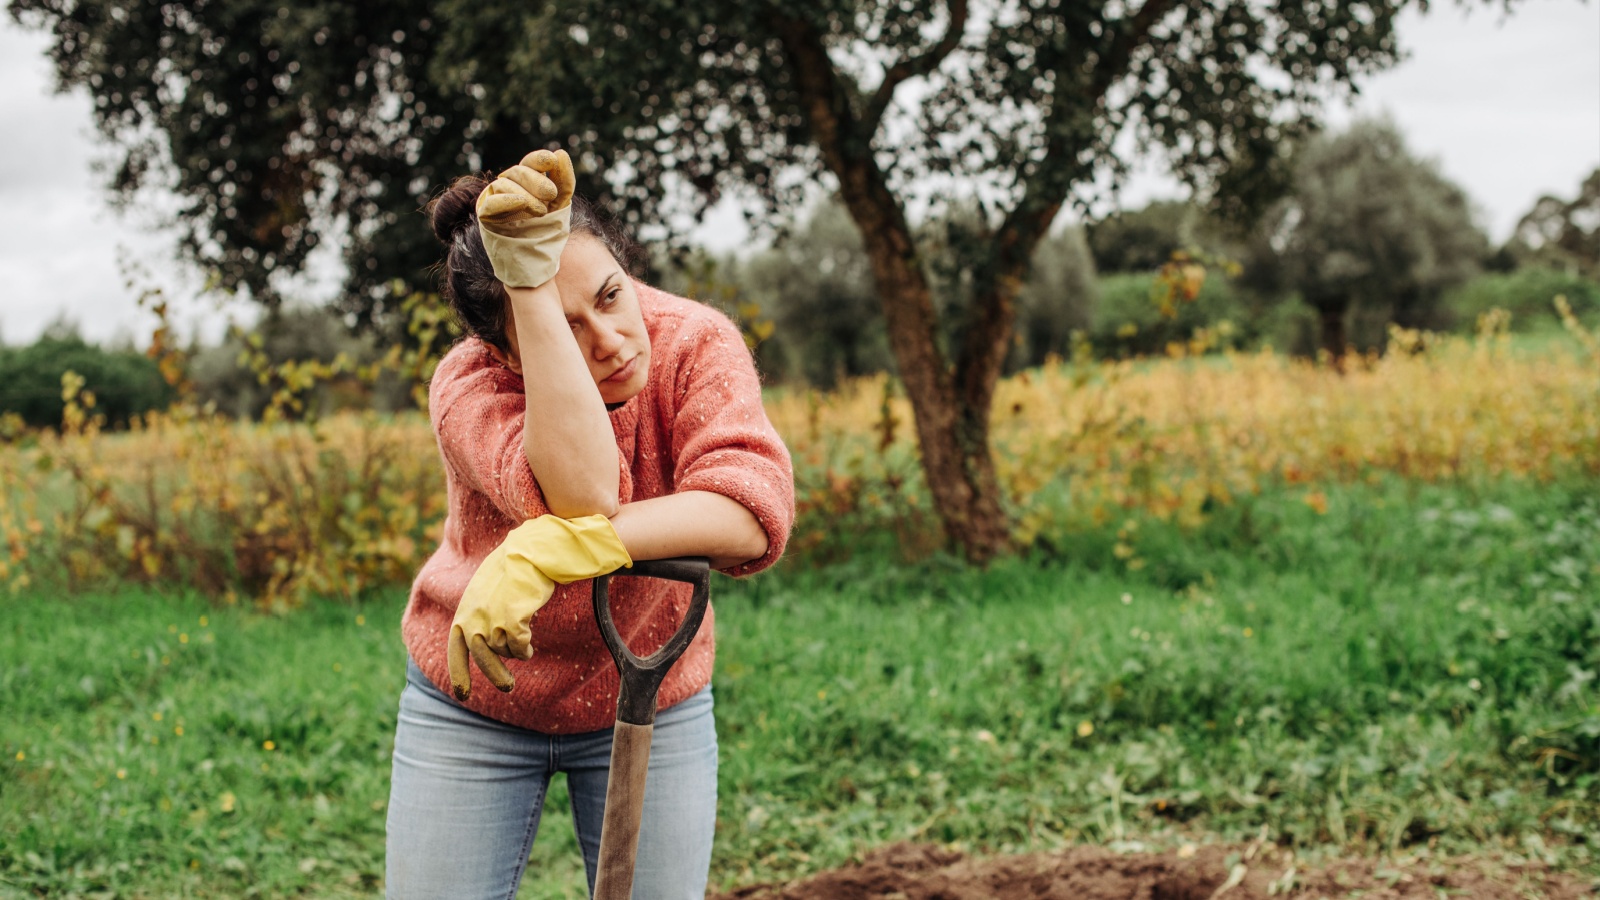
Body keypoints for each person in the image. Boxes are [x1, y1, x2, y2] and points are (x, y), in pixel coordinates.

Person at [385, 149, 794, 899]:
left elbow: (748, 511)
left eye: (611, 295)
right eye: (562, 326)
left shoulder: (695, 343)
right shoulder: (470, 383)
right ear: (505, 349)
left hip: (648, 697)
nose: (610, 340)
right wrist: (529, 289)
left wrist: (571, 547)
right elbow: (580, 492)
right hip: (476, 708)